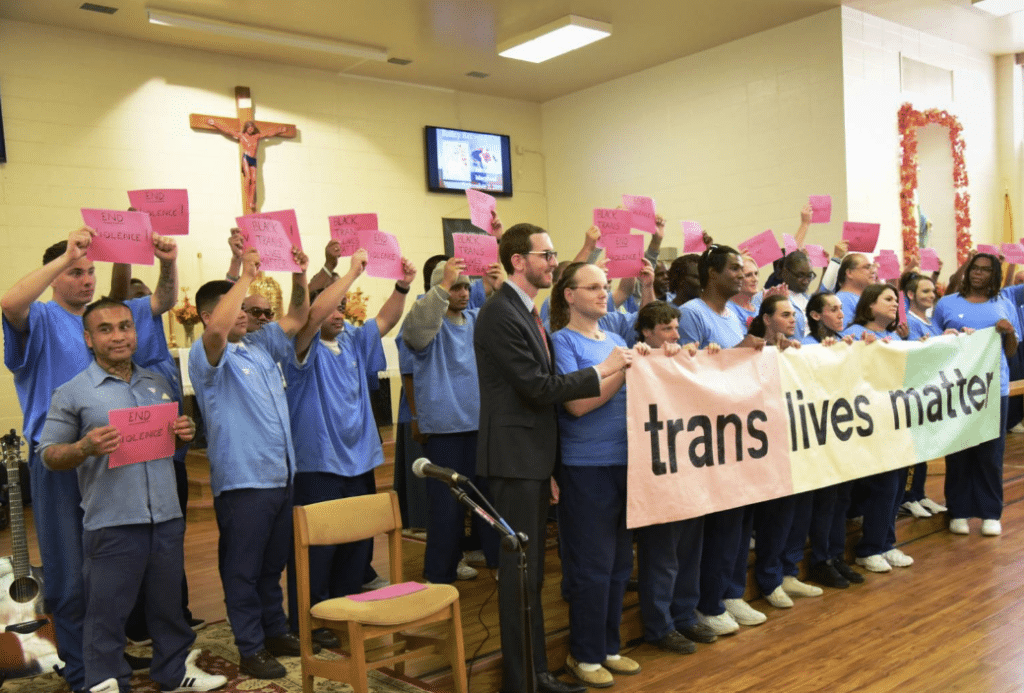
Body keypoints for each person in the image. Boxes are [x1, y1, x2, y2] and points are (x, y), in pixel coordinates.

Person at [1, 227, 178, 693]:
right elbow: (9, 303)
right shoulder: (39, 318)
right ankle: (81, 671)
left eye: (89, 271)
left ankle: (107, 655)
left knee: (115, 568)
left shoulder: (105, 320)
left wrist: (165, 259)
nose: (84, 279)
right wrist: (65, 255)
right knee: (69, 572)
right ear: (56, 276)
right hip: (61, 458)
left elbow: (161, 299)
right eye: (74, 272)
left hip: (119, 453)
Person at [37, 298, 225, 693]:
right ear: (89, 339)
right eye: (106, 329)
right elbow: (49, 455)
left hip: (166, 516)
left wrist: (181, 434)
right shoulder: (72, 393)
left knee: (168, 606)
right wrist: (84, 448)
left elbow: (163, 446)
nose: (119, 335)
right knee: (106, 613)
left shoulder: (157, 384)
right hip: (112, 520)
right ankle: (105, 682)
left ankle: (174, 672)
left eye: (125, 326)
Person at [474, 223, 631, 693]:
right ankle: (523, 681)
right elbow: (539, 389)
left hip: (534, 459)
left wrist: (554, 466)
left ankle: (537, 675)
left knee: (533, 577)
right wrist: (603, 369)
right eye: (545, 254)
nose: (551, 261)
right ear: (518, 260)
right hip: (513, 459)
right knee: (521, 578)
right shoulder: (500, 313)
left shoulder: (525, 311)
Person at [188, 246, 314, 679]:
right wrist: (243, 276)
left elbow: (297, 319)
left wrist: (300, 275)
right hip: (244, 481)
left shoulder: (259, 350)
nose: (246, 314)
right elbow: (218, 333)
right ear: (211, 315)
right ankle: (250, 646)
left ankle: (274, 630)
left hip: (280, 476)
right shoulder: (207, 355)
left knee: (271, 566)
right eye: (237, 308)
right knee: (242, 571)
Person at [283, 248, 414, 642]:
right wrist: (352, 272)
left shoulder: (355, 341)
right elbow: (312, 318)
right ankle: (310, 620)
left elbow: (386, 319)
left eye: (343, 308)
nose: (338, 314)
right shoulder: (301, 348)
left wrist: (402, 285)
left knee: (356, 544)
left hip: (359, 461)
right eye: (331, 308)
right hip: (319, 464)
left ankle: (346, 610)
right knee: (317, 550)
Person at [549, 263, 645, 687]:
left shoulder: (618, 339)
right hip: (586, 466)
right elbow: (576, 404)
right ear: (569, 295)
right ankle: (583, 654)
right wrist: (620, 370)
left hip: (627, 462)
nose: (603, 294)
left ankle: (609, 647)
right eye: (592, 287)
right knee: (593, 565)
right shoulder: (561, 342)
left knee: (621, 562)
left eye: (605, 287)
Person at [677, 246, 766, 634]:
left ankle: (731, 592)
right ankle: (707, 602)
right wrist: (740, 351)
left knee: (739, 521)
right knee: (719, 522)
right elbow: (685, 370)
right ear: (711, 273)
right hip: (708, 432)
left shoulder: (734, 314)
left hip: (740, 428)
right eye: (733, 269)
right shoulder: (691, 314)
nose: (741, 274)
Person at [402, 258, 501, 584]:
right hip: (446, 430)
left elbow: (508, 320)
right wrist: (442, 285)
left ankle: (500, 566)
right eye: (454, 286)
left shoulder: (476, 319)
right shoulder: (427, 325)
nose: (462, 292)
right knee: (446, 509)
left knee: (489, 502)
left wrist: (500, 286)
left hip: (481, 427)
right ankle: (438, 577)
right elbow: (415, 333)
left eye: (464, 286)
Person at [630, 301, 719, 655]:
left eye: (676, 328)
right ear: (647, 333)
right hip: (660, 471)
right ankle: (659, 624)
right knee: (662, 554)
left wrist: (709, 356)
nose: (675, 335)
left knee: (689, 550)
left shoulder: (683, 358)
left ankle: (685, 614)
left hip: (691, 467)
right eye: (666, 329)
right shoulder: (637, 360)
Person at [746, 297, 826, 609]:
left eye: (794, 314)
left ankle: (790, 571)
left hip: (800, 437)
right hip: (768, 442)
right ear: (766, 319)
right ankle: (770, 578)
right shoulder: (752, 350)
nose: (792, 319)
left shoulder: (795, 349)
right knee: (776, 515)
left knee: (800, 509)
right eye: (784, 314)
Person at [933, 253, 1018, 537]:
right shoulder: (946, 303)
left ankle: (990, 512)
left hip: (995, 387)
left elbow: (1011, 352)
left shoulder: (1003, 304)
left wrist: (1009, 334)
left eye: (985, 270)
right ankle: (958, 510)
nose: (978, 274)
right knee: (958, 450)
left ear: (994, 276)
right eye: (974, 269)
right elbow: (933, 345)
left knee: (991, 452)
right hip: (956, 388)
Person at [842, 284, 914, 573]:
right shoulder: (856, 333)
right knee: (882, 487)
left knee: (897, 486)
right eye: (887, 299)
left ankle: (887, 542)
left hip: (896, 419)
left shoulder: (895, 335)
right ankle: (869, 548)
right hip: (871, 424)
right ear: (870, 305)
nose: (894, 303)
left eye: (895, 299)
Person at [800, 293, 865, 590]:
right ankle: (821, 559)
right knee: (825, 501)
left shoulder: (845, 341)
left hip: (845, 427)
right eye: (833, 309)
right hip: (820, 432)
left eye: (841, 309)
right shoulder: (806, 346)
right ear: (815, 315)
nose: (841, 314)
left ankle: (836, 554)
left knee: (842, 498)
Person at [899, 273, 950, 519]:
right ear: (910, 295)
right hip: (914, 393)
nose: (931, 295)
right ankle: (908, 497)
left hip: (932, 392)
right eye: (925, 291)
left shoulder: (930, 320)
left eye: (932, 291)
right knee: (913, 448)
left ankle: (919, 493)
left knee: (926, 448)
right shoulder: (908, 322)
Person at [206, 118, 289, 214]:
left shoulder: (257, 136)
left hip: (254, 160)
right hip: (246, 157)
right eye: (249, 128)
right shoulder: (241, 136)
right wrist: (215, 123)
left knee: (254, 180)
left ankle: (251, 201)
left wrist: (279, 130)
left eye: (252, 128)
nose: (251, 130)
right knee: (248, 178)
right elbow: (228, 131)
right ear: (246, 128)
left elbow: (268, 134)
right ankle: (247, 199)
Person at [834, 254, 877, 327]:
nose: (873, 271)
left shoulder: (861, 299)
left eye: (872, 267)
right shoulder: (842, 299)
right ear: (849, 273)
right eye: (867, 267)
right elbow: (844, 334)